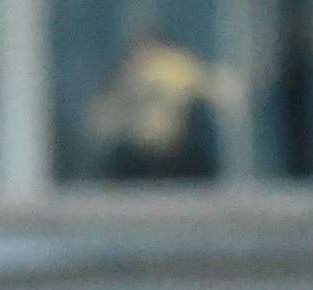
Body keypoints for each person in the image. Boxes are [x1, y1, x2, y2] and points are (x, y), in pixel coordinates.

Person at [85, 29, 220, 181]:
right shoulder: (125, 76)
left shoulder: (176, 66)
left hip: (175, 152)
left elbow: (214, 86)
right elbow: (101, 121)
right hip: (137, 155)